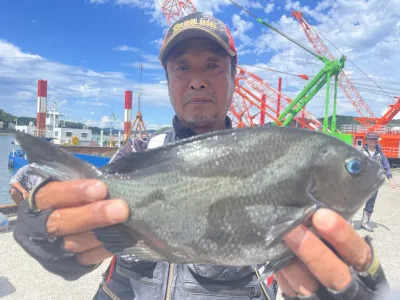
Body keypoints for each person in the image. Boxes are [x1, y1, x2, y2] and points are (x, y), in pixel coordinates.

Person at [12, 12, 389, 300]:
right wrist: (50, 229)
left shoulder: (271, 154)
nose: (196, 79)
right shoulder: (140, 150)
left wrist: (348, 285)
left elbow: (289, 270)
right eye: (182, 67)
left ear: (234, 77)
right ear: (169, 80)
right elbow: (88, 210)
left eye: (212, 65)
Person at [360, 132, 396, 232]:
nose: (372, 141)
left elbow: (387, 167)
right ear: (366, 140)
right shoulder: (361, 152)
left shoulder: (380, 153)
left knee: (371, 202)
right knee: (354, 201)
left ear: (377, 141)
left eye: (374, 139)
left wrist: (391, 181)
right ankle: (348, 221)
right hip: (361, 182)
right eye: (370, 139)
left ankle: (365, 222)